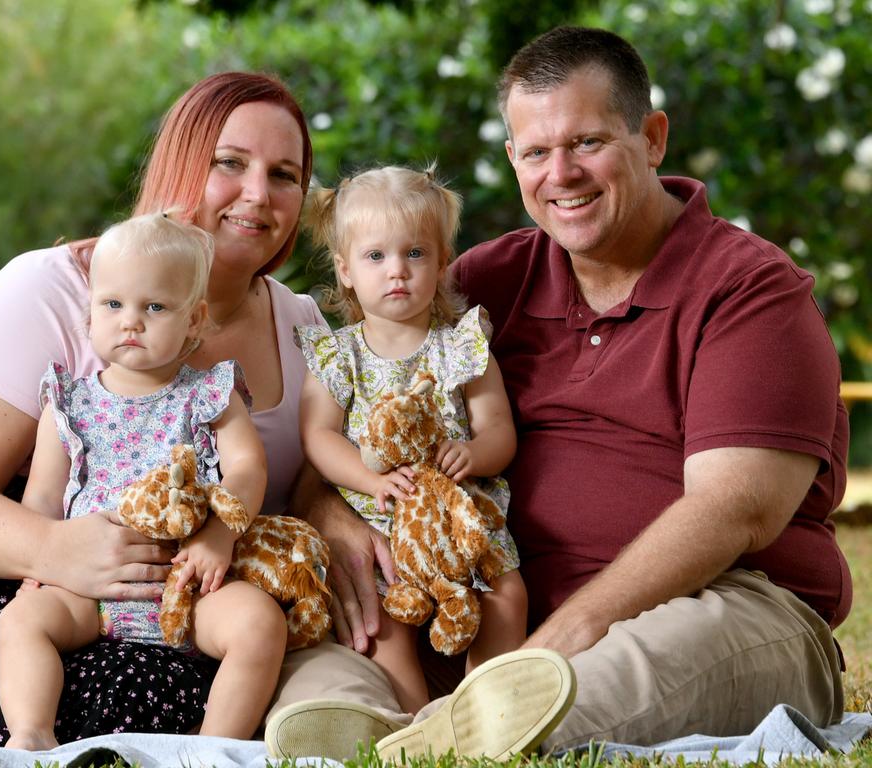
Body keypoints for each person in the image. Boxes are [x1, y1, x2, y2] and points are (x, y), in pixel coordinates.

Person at [264, 25, 851, 762]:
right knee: (323, 665)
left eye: (588, 143)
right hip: (483, 616)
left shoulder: (747, 290)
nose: (561, 173)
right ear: (513, 160)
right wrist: (335, 515)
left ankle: (440, 739)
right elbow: (349, 426)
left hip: (718, 608)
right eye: (536, 152)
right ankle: (394, 727)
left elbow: (735, 508)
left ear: (654, 138)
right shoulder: (481, 285)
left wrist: (555, 643)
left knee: (595, 683)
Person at [0, 71, 322, 745]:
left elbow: (314, 478)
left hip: (178, 599)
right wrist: (55, 550)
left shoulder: (303, 328)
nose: (258, 194)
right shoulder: (54, 289)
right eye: (230, 163)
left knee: (192, 685)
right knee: (73, 699)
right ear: (180, 162)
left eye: (285, 174)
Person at [0, 211, 284, 749]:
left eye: (154, 307)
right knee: (21, 621)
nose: (131, 321)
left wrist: (218, 534)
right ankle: (31, 733)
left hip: (188, 588)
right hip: (90, 589)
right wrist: (37, 562)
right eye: (113, 304)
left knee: (260, 624)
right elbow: (42, 495)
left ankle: (212, 746)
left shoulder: (211, 394)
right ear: (91, 312)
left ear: (194, 321)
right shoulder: (70, 403)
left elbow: (248, 469)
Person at [294, 165, 533, 714]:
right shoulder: (338, 356)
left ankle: (487, 716)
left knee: (507, 597)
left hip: (456, 521)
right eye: (376, 257)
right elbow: (319, 436)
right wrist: (368, 478)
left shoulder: (462, 347)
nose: (396, 271)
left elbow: (499, 429)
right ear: (346, 269)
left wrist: (474, 453)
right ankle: (409, 720)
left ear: (443, 262)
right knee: (381, 619)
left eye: (415, 254)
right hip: (380, 523)